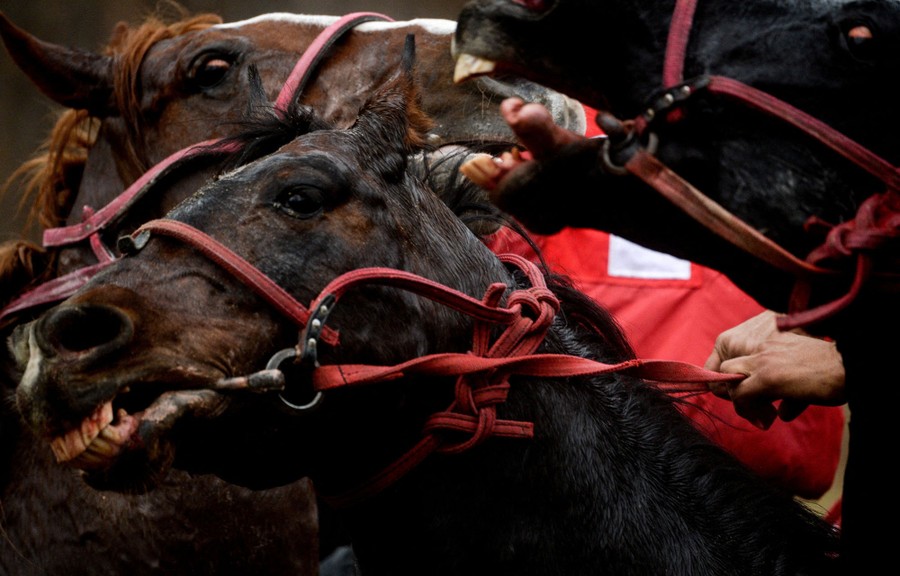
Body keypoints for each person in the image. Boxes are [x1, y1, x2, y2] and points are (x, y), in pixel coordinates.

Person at [477, 103, 846, 504]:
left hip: (765, 488)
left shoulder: (802, 111)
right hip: (571, 485)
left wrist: (844, 353)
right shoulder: (545, 123)